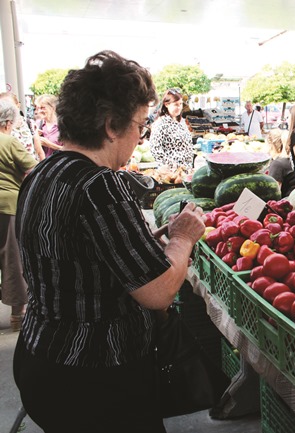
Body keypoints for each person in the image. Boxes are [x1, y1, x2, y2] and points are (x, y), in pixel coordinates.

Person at [13, 50, 205, 432]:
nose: (140, 135)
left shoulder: (41, 173)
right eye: (138, 125)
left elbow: (75, 255)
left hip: (41, 358)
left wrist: (145, 239)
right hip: (96, 378)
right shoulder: (101, 185)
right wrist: (182, 238)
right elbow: (159, 294)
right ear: (111, 126)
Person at [0, 100, 38, 332]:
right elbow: (33, 169)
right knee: (12, 260)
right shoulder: (9, 141)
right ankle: (17, 317)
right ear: (7, 122)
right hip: (8, 206)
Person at [149, 88, 194, 169]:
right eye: (176, 104)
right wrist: (172, 167)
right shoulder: (160, 123)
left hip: (187, 170)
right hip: (171, 173)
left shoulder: (182, 122)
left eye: (181, 104)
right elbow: (155, 150)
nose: (179, 107)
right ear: (166, 104)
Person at [0, 92, 44, 161]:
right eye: (3, 106)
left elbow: (39, 151)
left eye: (10, 105)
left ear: (18, 105)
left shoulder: (29, 123)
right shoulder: (2, 127)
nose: (6, 110)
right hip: (12, 169)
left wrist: (43, 170)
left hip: (31, 168)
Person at [265, 128, 295, 198]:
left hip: (286, 203)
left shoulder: (277, 164)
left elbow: (273, 194)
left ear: (271, 145)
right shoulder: (290, 160)